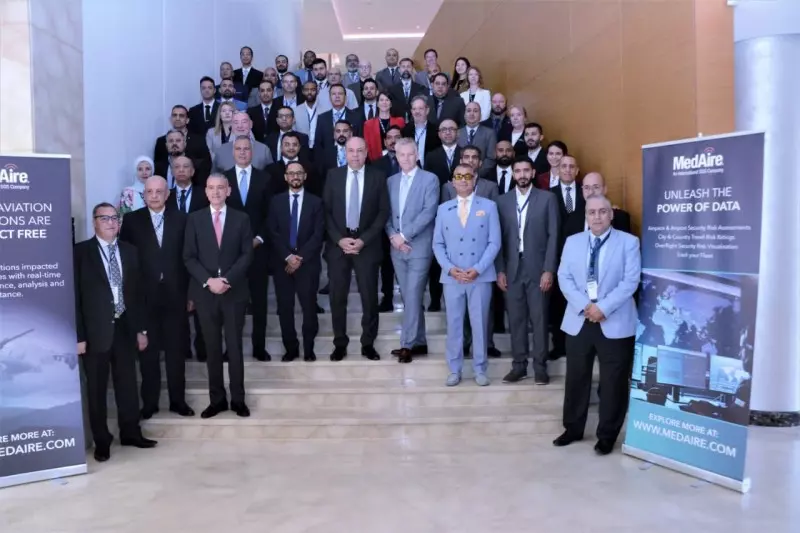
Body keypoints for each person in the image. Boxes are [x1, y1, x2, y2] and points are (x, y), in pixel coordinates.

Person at [554, 195, 640, 455]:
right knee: (576, 378)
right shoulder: (573, 242)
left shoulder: (629, 242)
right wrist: (585, 306)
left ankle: (607, 436)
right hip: (579, 319)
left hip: (614, 320)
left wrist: (603, 308)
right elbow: (564, 277)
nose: (597, 216)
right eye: (592, 212)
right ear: (586, 216)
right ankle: (572, 429)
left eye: (603, 211)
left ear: (611, 214)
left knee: (613, 381)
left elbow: (630, 281)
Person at [74, 203, 157, 462]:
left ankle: (130, 432)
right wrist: (79, 336)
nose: (111, 222)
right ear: (94, 222)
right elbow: (75, 299)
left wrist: (141, 329)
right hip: (95, 332)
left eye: (114, 218)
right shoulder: (80, 253)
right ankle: (102, 440)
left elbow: (138, 295)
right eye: (105, 218)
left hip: (125, 328)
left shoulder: (130, 251)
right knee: (97, 389)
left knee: (127, 384)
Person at [119, 176, 194, 418]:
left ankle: (178, 401)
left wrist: (191, 294)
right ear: (144, 195)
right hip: (144, 298)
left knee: (176, 351)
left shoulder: (183, 219)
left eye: (158, 191)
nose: (153, 195)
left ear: (167, 194)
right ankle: (149, 403)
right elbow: (126, 261)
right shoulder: (132, 220)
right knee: (148, 354)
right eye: (149, 191)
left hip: (176, 296)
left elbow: (189, 258)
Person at [183, 175, 254, 419]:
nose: (216, 192)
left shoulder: (241, 218)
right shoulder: (194, 219)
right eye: (211, 188)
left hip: (234, 293)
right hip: (206, 294)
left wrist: (227, 280)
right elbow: (189, 257)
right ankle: (217, 400)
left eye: (220, 188)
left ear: (228, 191)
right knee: (212, 348)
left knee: (234, 348)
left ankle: (238, 400)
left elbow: (247, 254)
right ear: (205, 191)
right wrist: (209, 281)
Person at [432, 165, 501, 387]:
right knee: (454, 324)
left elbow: (494, 242)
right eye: (458, 176)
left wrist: (478, 268)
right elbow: (437, 243)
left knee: (479, 324)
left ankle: (480, 368)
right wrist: (449, 268)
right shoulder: (443, 209)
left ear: (475, 179)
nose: (463, 180)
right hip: (452, 277)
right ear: (452, 181)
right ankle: (454, 369)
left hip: (479, 276)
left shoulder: (488, 206)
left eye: (467, 176)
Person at [322, 137, 390, 362]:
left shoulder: (378, 176)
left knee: (369, 298)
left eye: (360, 150)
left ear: (367, 152)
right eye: (351, 150)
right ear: (345, 152)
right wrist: (339, 239)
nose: (355, 155)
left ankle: (368, 343)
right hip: (338, 246)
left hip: (366, 246)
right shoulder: (333, 175)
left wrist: (363, 240)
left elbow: (383, 212)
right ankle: (339, 343)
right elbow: (326, 211)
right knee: (337, 298)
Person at [495, 158, 559, 385]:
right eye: (517, 171)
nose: (522, 175)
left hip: (538, 269)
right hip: (512, 269)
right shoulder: (501, 201)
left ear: (533, 173)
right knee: (516, 320)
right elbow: (497, 239)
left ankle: (540, 367)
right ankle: (519, 366)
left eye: (526, 170)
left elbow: (553, 236)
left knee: (540, 320)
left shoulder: (548, 199)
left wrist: (549, 269)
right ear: (513, 174)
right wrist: (500, 270)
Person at [385, 139, 439, 363]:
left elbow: (429, 212)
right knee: (409, 297)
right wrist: (393, 236)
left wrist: (404, 236)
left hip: (419, 247)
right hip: (396, 248)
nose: (406, 158)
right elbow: (385, 213)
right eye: (401, 154)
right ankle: (420, 341)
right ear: (396, 157)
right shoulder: (390, 181)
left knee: (414, 294)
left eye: (410, 154)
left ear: (417, 155)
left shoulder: (430, 179)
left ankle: (407, 344)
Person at [267, 161, 325, 362]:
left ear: (305, 176)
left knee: (309, 307)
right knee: (285, 308)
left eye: (299, 173)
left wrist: (300, 258)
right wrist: (288, 257)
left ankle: (309, 348)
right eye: (291, 173)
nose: (295, 176)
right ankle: (291, 348)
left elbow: (318, 234)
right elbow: (273, 232)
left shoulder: (316, 202)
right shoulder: (275, 202)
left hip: (307, 264)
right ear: (285, 177)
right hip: (282, 263)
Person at [222, 136, 273, 362]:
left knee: (259, 302)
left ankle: (259, 347)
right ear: (233, 152)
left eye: (246, 149)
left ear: (252, 152)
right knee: (232, 304)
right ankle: (231, 348)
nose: (242, 152)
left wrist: (259, 239)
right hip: (230, 254)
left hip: (258, 250)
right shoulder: (224, 179)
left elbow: (271, 214)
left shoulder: (265, 179)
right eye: (238, 149)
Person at [550, 155, 585, 360]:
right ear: (558, 170)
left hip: (582, 258)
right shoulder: (548, 195)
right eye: (564, 166)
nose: (567, 170)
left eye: (572, 166)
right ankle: (558, 345)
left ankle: (579, 346)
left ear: (577, 170)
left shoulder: (585, 192)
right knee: (557, 304)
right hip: (557, 256)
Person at [565, 172, 632, 236]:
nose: (591, 192)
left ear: (605, 189)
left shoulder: (620, 218)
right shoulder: (572, 219)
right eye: (587, 188)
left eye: (596, 187)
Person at [315, 84, 364, 155]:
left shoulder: (356, 117)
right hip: (328, 158)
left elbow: (360, 141)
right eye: (334, 94)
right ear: (330, 97)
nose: (337, 96)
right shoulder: (322, 118)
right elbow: (318, 144)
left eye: (340, 93)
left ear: (345, 97)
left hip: (351, 156)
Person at [364, 92, 405, 162]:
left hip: (397, 160)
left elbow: (403, 143)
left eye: (387, 100)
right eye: (381, 100)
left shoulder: (400, 121)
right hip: (376, 161)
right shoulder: (368, 124)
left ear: (391, 104)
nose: (384, 102)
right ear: (377, 104)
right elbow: (367, 146)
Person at [401, 95, 441, 167]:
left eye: (420, 108)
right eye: (414, 109)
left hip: (430, 170)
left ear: (427, 110)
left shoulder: (436, 131)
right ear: (411, 111)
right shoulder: (405, 131)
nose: (417, 112)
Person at [458, 102, 497, 172]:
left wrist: (475, 174)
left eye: (475, 111)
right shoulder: (457, 133)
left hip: (481, 175)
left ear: (480, 115)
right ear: (464, 115)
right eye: (468, 111)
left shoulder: (490, 133)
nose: (472, 114)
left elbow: (491, 159)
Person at [388, 57, 427, 122]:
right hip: (397, 123)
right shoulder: (391, 90)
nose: (406, 69)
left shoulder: (421, 88)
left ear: (412, 69)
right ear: (399, 70)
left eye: (408, 67)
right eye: (403, 67)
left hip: (416, 122)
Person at [294, 81, 319, 148]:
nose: (309, 92)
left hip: (320, 147)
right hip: (302, 147)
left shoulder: (324, 110)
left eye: (312, 90)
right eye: (306, 90)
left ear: (317, 91)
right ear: (302, 91)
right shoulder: (296, 110)